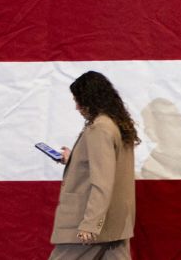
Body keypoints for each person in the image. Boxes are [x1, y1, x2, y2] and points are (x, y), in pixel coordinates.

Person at [50, 70, 139, 259]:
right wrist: (73, 158)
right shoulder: (118, 125)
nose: (76, 107)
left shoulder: (99, 128)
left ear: (90, 99)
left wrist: (91, 224)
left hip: (91, 223)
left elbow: (102, 181)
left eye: (78, 100)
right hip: (117, 223)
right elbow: (108, 166)